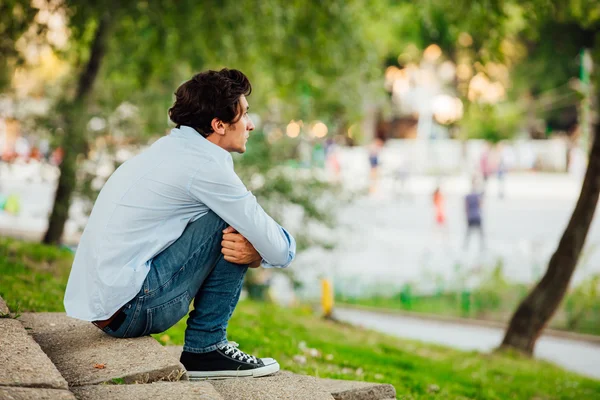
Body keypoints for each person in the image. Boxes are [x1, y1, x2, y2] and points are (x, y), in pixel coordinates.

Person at [64, 69, 296, 380]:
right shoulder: (204, 167)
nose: (251, 125)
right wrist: (258, 252)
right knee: (231, 221)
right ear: (219, 125)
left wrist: (257, 252)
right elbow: (280, 250)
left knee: (233, 222)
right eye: (245, 116)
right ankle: (206, 347)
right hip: (130, 310)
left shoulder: (170, 149)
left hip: (110, 308)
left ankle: (206, 348)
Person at [464, 178, 484, 251]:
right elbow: (480, 205)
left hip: (471, 216)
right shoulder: (477, 195)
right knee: (480, 233)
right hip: (476, 216)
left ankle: (466, 246)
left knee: (469, 233)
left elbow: (465, 208)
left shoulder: (468, 196)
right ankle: (482, 247)